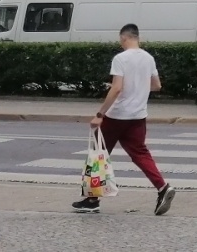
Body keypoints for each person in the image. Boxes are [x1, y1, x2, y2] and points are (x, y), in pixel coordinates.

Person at [73, 24, 175, 216]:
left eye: (120, 40)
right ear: (138, 37)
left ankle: (92, 199)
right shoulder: (148, 58)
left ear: (124, 38)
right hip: (138, 115)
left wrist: (100, 114)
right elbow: (157, 85)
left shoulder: (120, 59)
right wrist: (138, 88)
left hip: (117, 115)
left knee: (98, 154)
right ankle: (162, 188)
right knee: (140, 154)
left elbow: (117, 88)